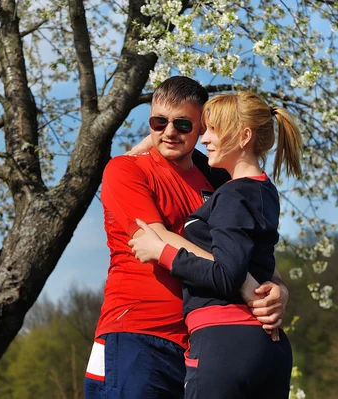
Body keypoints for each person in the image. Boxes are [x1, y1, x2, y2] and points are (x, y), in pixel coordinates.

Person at [84, 77, 288, 399]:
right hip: (137, 334)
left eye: (182, 124)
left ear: (202, 128)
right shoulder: (126, 170)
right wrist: (246, 285)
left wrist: (276, 288)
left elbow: (248, 248)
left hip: (200, 341)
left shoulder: (219, 177)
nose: (169, 132)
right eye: (158, 122)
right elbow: (156, 237)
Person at [129, 91, 302, 398]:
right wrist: (148, 144)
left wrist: (162, 252)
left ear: (244, 136)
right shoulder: (263, 191)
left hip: (224, 343)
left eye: (211, 130)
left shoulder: (232, 196)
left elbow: (227, 275)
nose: (204, 138)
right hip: (267, 347)